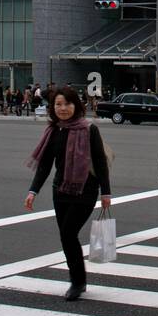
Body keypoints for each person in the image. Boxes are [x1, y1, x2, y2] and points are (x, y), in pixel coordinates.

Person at [25, 86, 111, 301]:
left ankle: (77, 282)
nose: (63, 108)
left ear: (76, 105)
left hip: (85, 191)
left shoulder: (89, 129)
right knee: (66, 236)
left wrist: (106, 193)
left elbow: (100, 162)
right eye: (58, 104)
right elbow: (45, 165)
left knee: (68, 233)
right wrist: (33, 190)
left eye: (67, 104)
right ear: (53, 107)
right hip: (60, 190)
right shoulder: (54, 131)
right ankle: (78, 279)